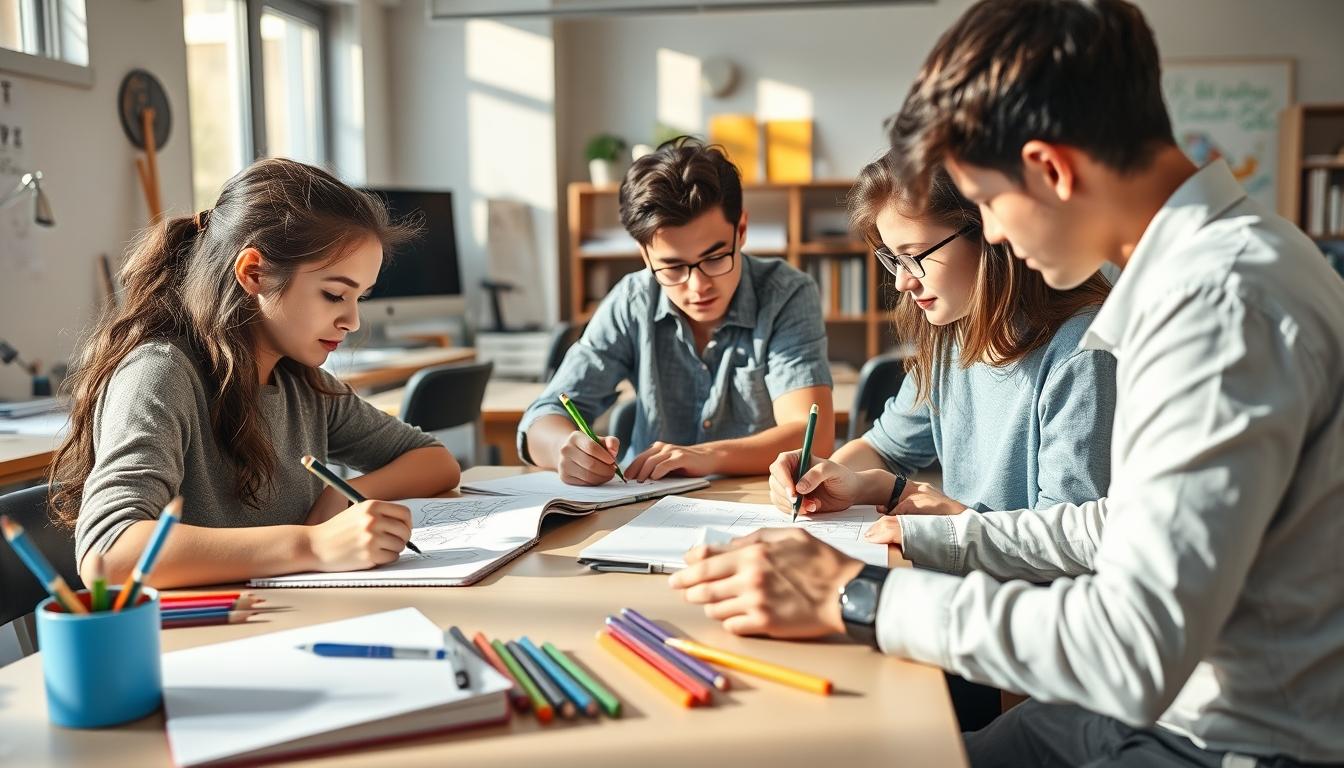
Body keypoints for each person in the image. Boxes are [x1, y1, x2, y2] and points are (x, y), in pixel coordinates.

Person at [671, 1, 1344, 765]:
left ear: (1049, 169)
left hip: (1221, 742)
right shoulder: (1211, 270)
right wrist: (925, 534)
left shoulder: (1218, 306)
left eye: (987, 201)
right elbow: (1111, 523)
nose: (992, 233)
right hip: (1168, 715)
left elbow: (1132, 652)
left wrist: (852, 596)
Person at [768, 153, 1115, 729]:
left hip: (1028, 641)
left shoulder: (1079, 353)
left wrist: (946, 515)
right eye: (890, 258)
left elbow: (1071, 543)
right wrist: (819, 474)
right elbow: (885, 445)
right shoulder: (955, 330)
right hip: (963, 601)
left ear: (990, 232)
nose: (903, 282)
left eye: (915, 256)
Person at [56, 158, 462, 588]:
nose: (353, 321)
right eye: (334, 294)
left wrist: (339, 495)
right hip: (203, 641)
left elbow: (436, 462)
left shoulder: (299, 380)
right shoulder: (160, 373)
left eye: (360, 297)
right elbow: (107, 553)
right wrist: (312, 546)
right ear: (254, 273)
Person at [519, 137, 834, 485]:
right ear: (645, 256)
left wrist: (707, 455)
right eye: (672, 268)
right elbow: (541, 419)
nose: (698, 287)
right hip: (644, 508)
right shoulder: (633, 300)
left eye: (715, 258)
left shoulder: (786, 294)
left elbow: (812, 437)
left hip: (753, 509)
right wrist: (566, 447)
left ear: (740, 230)